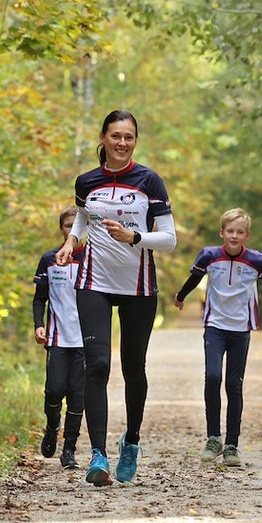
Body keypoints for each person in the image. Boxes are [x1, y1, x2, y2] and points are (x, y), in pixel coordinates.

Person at [55, 110, 177, 486]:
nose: (122, 143)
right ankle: (98, 455)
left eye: (129, 137)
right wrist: (71, 241)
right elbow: (82, 217)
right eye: (116, 136)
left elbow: (170, 239)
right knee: (97, 366)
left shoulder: (149, 180)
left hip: (138, 286)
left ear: (135, 141)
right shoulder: (86, 181)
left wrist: (135, 238)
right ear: (104, 138)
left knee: (132, 368)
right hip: (94, 281)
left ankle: (132, 441)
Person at [174, 208, 262, 467]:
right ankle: (213, 438)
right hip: (215, 325)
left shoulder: (256, 260)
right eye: (230, 231)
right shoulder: (210, 256)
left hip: (241, 328)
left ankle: (232, 444)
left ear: (246, 235)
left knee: (234, 384)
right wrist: (180, 296)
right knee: (212, 376)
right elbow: (194, 277)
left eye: (239, 232)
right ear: (222, 233)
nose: (234, 235)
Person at [32, 206, 85, 470]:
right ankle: (53, 425)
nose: (71, 230)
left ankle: (70, 451)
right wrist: (38, 325)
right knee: (54, 390)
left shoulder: (92, 259)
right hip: (57, 337)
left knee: (78, 395)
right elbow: (39, 298)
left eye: (76, 225)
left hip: (85, 341)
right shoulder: (49, 259)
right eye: (67, 225)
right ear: (61, 228)